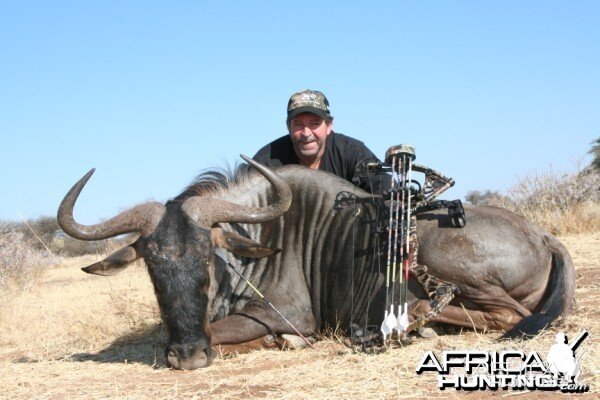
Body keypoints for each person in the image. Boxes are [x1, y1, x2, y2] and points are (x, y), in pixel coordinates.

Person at [252, 89, 390, 194]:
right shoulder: (266, 160)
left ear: (329, 125)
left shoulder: (352, 151)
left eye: (314, 123)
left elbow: (382, 183)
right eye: (298, 124)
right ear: (288, 127)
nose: (306, 133)